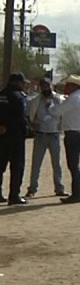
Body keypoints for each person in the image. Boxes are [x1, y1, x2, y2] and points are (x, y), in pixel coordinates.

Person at [48, 74, 80, 204]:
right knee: (75, 164)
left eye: (68, 85)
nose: (66, 88)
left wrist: (49, 106)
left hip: (72, 134)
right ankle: (77, 192)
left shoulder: (72, 99)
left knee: (73, 165)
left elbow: (56, 112)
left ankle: (77, 193)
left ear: (73, 86)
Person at [25, 77, 67, 199]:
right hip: (40, 135)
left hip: (54, 135)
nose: (45, 88)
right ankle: (32, 189)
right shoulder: (35, 100)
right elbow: (28, 116)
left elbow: (63, 114)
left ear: (51, 86)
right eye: (42, 86)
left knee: (57, 164)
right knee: (36, 163)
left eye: (47, 86)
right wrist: (32, 125)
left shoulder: (59, 99)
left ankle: (59, 188)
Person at [0, 72, 30, 205]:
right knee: (17, 166)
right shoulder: (18, 97)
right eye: (23, 83)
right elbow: (21, 117)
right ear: (17, 83)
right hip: (16, 136)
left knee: (0, 166)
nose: (24, 85)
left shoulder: (1, 94)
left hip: (1, 136)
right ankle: (14, 195)